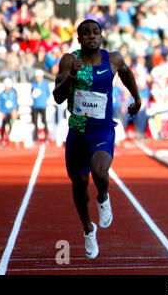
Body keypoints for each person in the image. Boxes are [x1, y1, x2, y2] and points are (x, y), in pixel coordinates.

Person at [53, 19, 141, 259]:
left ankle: (103, 197)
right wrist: (71, 76)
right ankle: (88, 230)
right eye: (86, 33)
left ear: (101, 37)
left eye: (96, 32)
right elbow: (58, 97)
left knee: (100, 171)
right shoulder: (69, 60)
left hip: (102, 129)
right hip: (77, 132)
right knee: (80, 186)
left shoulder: (112, 59)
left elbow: (127, 73)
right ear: (79, 39)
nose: (91, 36)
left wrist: (137, 98)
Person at [31, 69, 51, 143]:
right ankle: (35, 138)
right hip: (35, 105)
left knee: (44, 121)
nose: (37, 78)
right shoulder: (33, 83)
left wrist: (43, 98)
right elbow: (31, 93)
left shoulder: (45, 84)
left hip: (43, 105)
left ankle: (46, 137)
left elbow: (48, 93)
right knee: (35, 122)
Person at [0, 77, 18, 145]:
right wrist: (1, 111)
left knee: (11, 125)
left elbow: (15, 101)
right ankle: (3, 139)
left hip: (11, 112)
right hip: (5, 112)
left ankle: (10, 138)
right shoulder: (2, 94)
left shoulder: (13, 93)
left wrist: (15, 109)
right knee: (4, 125)